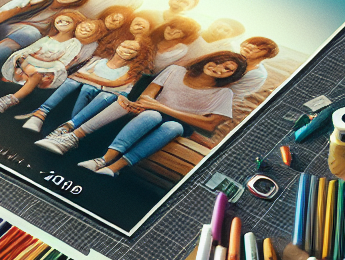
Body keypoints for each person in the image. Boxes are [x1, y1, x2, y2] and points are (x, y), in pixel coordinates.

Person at [39, 53, 248, 175]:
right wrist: (144, 106)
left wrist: (163, 108)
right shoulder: (175, 70)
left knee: (171, 125)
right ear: (208, 60)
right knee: (141, 111)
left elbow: (210, 125)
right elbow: (147, 98)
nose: (219, 68)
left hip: (178, 124)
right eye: (218, 62)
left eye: (227, 69)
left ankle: (114, 166)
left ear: (232, 76)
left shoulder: (223, 93)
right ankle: (85, 148)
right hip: (150, 112)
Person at [19, 37, 155, 134]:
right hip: (88, 90)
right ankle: (40, 114)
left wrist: (91, 79)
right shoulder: (98, 61)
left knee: (93, 88)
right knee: (79, 85)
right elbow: (76, 75)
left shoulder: (132, 70)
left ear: (138, 54)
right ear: (117, 46)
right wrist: (97, 81)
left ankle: (69, 127)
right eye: (124, 46)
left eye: (133, 49)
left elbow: (115, 84)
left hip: (106, 97)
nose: (127, 50)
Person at [0, 10, 87, 113]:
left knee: (36, 73)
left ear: (75, 25)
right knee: (22, 64)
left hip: (49, 69)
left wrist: (43, 60)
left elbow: (64, 61)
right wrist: (24, 57)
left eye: (67, 21)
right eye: (60, 21)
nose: (62, 23)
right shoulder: (47, 39)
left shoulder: (73, 43)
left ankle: (9, 101)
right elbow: (29, 50)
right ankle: (9, 83)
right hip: (30, 63)